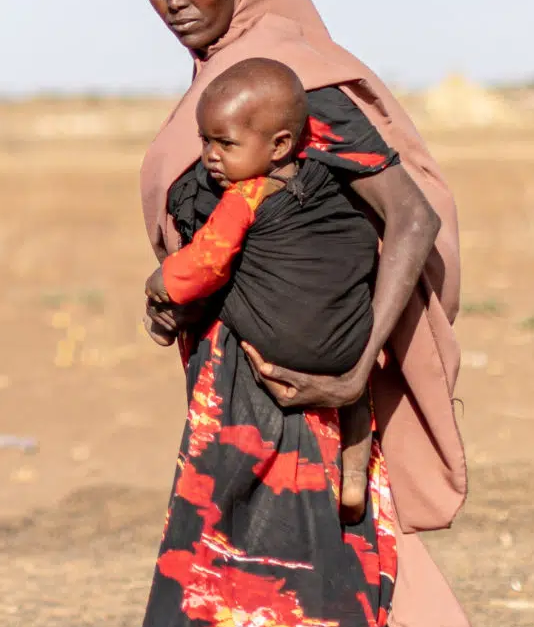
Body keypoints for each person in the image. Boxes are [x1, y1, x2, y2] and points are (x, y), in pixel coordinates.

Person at [138, 0, 469, 627]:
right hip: (232, 384)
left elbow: (409, 214)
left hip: (300, 390)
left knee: (298, 581)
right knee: (258, 576)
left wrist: (356, 367)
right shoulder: (227, 88)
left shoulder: (291, 85)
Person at [142, 57, 380, 525]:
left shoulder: (245, 197)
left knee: (229, 292)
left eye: (225, 143)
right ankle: (354, 475)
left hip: (285, 351)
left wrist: (161, 281)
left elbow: (205, 265)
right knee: (358, 400)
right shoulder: (330, 186)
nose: (210, 156)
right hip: (353, 349)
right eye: (205, 141)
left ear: (280, 145)